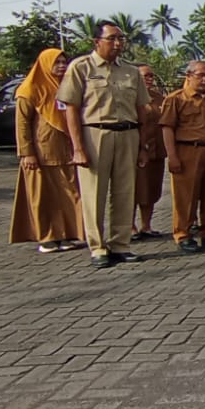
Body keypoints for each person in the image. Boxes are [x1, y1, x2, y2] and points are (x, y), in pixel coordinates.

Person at [59, 20, 151, 269]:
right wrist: (77, 147)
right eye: (112, 38)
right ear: (96, 41)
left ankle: (121, 245)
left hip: (128, 133)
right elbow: (71, 109)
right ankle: (98, 246)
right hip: (95, 134)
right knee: (94, 193)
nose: (118, 43)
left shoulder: (131, 72)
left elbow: (142, 109)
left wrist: (142, 145)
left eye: (121, 39)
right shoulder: (81, 67)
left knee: (124, 192)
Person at [9, 48, 84, 253]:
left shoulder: (66, 87)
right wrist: (27, 152)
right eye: (56, 62)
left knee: (68, 193)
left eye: (64, 62)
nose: (61, 66)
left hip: (66, 150)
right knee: (42, 196)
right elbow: (22, 124)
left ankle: (68, 234)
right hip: (41, 153)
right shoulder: (30, 89)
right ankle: (48, 237)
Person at [161, 61, 205, 253]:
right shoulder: (176, 99)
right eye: (201, 75)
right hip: (188, 151)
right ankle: (183, 234)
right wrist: (172, 156)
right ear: (189, 76)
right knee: (186, 196)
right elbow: (167, 128)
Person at [132, 65, 166, 241]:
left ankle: (146, 225)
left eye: (151, 76)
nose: (149, 79)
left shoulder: (159, 98)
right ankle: (130, 227)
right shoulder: (130, 97)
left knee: (151, 189)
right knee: (134, 190)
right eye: (145, 76)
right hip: (136, 150)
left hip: (157, 151)